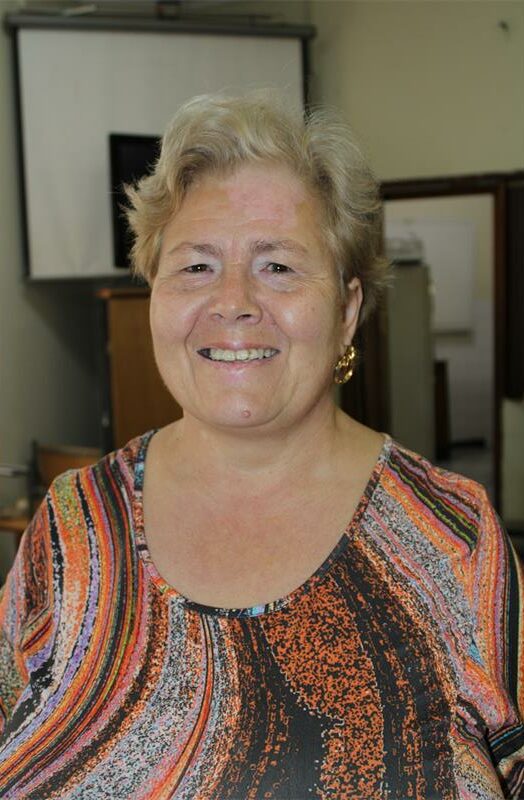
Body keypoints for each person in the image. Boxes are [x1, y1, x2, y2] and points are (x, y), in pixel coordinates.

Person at [0, 92, 522, 800]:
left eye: (278, 266)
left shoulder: (452, 536)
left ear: (347, 310)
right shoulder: (74, 526)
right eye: (196, 267)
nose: (235, 302)